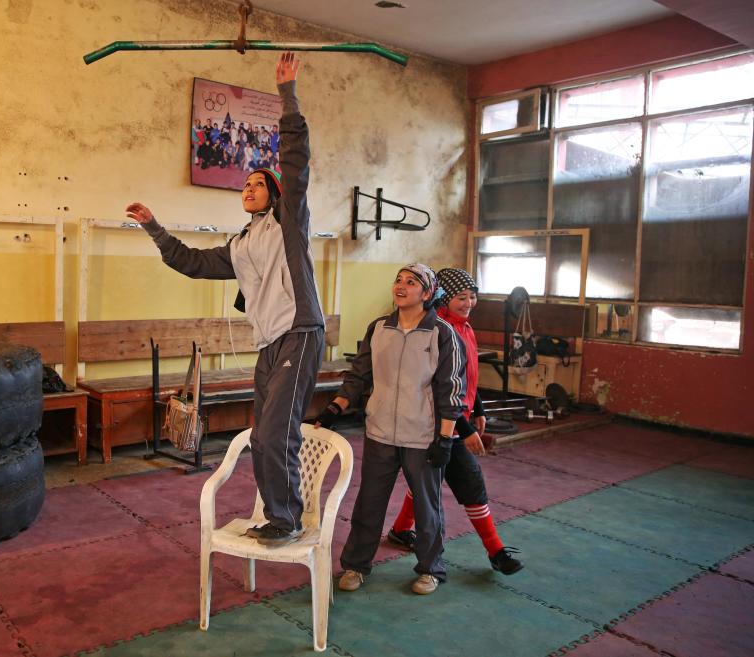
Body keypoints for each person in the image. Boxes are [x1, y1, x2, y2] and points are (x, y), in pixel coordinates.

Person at [125, 52, 324, 547]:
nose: (250, 188)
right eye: (247, 184)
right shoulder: (239, 245)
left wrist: (287, 94)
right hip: (269, 342)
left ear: (276, 193)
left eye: (260, 183)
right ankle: (279, 512)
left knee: (276, 432)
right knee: (263, 436)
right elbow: (189, 262)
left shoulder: (289, 224)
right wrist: (153, 227)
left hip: (300, 332)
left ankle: (286, 519)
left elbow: (296, 162)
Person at [315, 264, 467, 595]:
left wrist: (445, 437)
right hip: (380, 431)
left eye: (411, 283)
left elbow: (450, 389)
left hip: (423, 436)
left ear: (426, 294)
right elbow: (359, 375)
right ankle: (355, 565)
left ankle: (431, 569)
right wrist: (334, 408)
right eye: (398, 280)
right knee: (368, 502)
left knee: (428, 507)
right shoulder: (379, 328)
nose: (401, 286)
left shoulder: (442, 334)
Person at [386, 268, 523, 575]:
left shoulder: (466, 328)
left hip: (458, 418)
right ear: (444, 299)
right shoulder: (440, 331)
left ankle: (399, 529)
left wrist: (479, 409)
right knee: (470, 481)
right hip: (440, 423)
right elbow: (439, 386)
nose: (469, 303)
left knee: (429, 478)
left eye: (473, 297)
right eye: (462, 297)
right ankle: (496, 550)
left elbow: (466, 375)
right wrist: (465, 428)